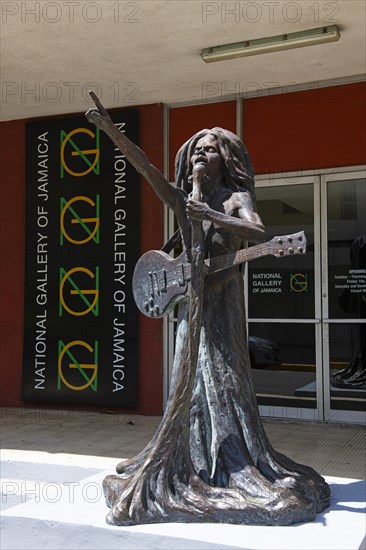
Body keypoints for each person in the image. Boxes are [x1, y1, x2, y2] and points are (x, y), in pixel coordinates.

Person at [86, 97, 330, 525]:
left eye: (211, 148)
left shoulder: (234, 196)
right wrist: (112, 132)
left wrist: (212, 214)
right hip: (189, 312)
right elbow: (149, 171)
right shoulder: (184, 197)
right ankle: (185, 458)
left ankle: (232, 464)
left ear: (227, 157)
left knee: (223, 383)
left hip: (221, 307)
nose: (201, 153)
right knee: (192, 384)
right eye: (196, 148)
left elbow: (257, 230)